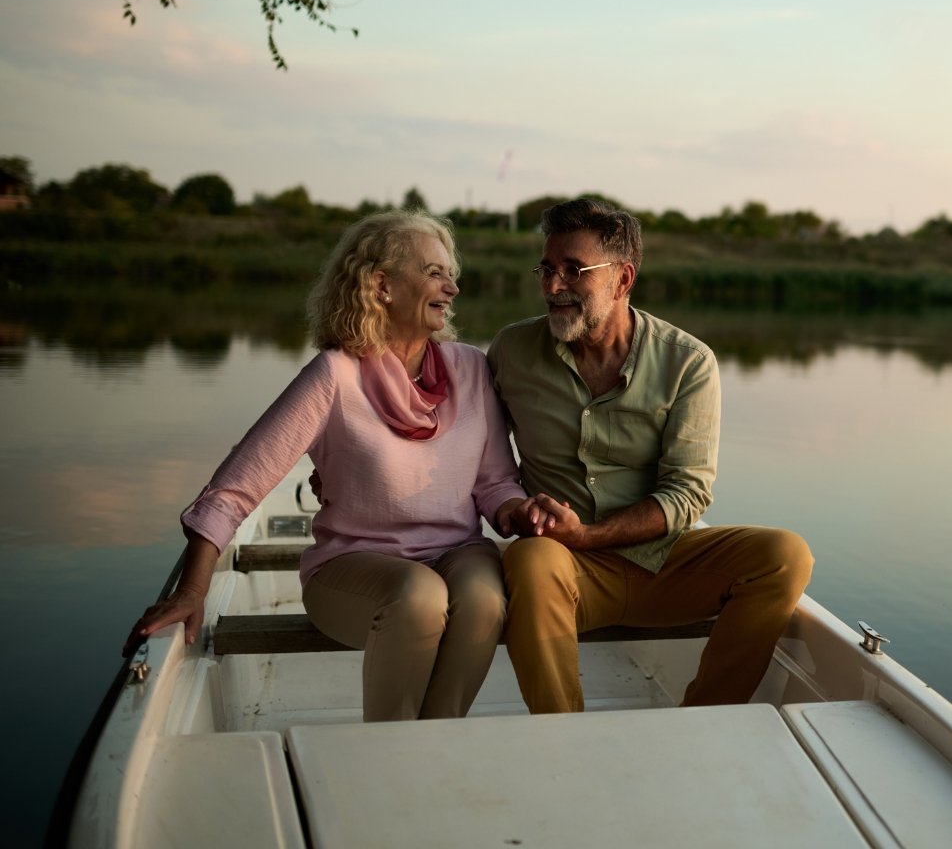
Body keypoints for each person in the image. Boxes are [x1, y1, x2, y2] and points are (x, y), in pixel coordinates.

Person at [124, 211, 546, 721]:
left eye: (451, 274)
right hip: (352, 568)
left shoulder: (471, 367)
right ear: (382, 285)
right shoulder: (334, 375)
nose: (452, 287)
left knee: (483, 597)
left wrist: (518, 512)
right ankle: (392, 743)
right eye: (434, 272)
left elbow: (496, 482)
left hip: (458, 552)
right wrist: (192, 591)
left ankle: (436, 736)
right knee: (419, 595)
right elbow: (235, 489)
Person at [488, 197, 814, 714]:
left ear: (622, 279)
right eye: (546, 269)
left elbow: (688, 492)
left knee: (784, 556)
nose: (553, 286)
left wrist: (588, 535)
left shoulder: (688, 362)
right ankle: (563, 734)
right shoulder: (511, 350)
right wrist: (513, 506)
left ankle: (702, 722)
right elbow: (481, 459)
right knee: (530, 559)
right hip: (562, 569)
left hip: (665, 564)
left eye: (574, 270)